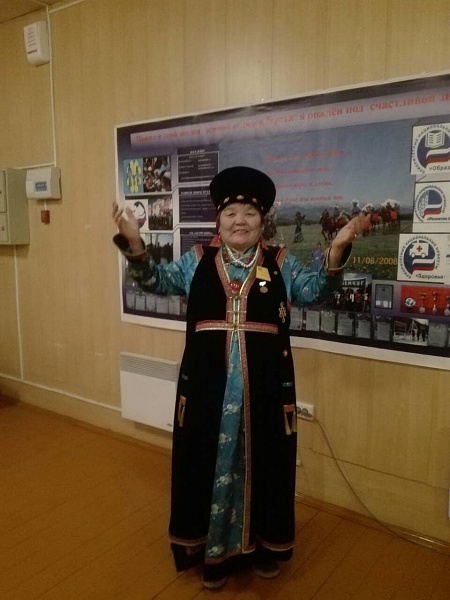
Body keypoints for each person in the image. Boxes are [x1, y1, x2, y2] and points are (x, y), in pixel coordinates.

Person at [112, 166, 368, 589]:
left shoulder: (281, 263)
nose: (240, 221)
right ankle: (211, 555)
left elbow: (316, 290)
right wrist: (135, 243)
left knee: (266, 466)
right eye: (231, 212)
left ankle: (264, 549)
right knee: (205, 464)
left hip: (264, 393)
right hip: (206, 392)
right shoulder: (196, 261)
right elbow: (154, 281)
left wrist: (338, 248)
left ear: (262, 219)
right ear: (219, 218)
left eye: (250, 213)